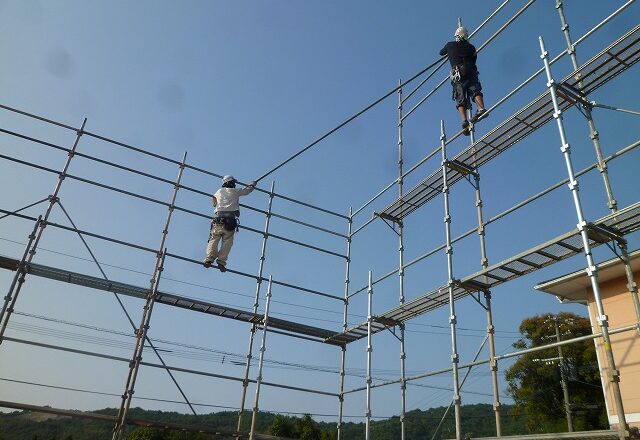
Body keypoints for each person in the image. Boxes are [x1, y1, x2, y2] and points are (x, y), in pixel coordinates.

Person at [439, 26, 487, 136]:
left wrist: (450, 53)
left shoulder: (450, 45)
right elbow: (474, 60)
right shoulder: (471, 47)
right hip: (470, 71)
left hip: (458, 75)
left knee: (460, 97)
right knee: (475, 90)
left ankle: (464, 120)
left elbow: (441, 53)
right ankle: (481, 108)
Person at [204, 175, 256, 272]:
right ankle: (221, 262)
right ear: (231, 183)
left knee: (214, 239)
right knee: (227, 242)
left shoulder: (218, 191)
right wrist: (252, 184)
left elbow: (214, 203)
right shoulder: (235, 192)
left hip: (218, 220)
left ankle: (209, 259)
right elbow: (247, 190)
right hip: (230, 221)